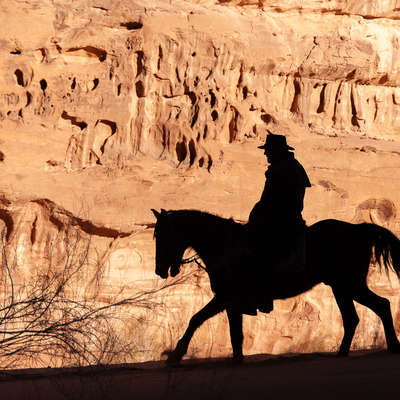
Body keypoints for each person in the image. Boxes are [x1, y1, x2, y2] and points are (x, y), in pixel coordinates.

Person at [244, 131, 311, 314]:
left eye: (268, 150)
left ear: (277, 150)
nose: (266, 154)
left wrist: (259, 215)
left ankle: (262, 297)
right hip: (284, 217)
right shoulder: (290, 166)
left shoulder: (282, 169)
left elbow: (272, 199)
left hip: (282, 219)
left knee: (257, 253)